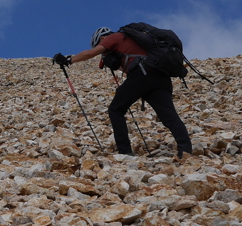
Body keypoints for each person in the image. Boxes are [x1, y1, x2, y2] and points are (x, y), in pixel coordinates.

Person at [54, 27, 193, 159]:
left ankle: (125, 152)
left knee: (116, 110)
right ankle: (186, 151)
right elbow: (125, 64)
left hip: (142, 75)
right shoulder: (131, 40)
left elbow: (91, 53)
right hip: (161, 77)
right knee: (169, 116)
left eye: (101, 46)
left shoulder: (114, 37)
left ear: (102, 38)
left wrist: (68, 60)